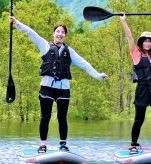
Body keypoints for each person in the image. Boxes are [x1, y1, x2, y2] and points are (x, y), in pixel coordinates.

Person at [10, 16, 107, 153]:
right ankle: (43, 145)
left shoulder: (70, 52)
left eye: (62, 32)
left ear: (65, 36)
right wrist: (17, 24)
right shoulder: (44, 45)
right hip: (47, 87)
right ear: (54, 34)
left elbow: (84, 64)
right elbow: (31, 33)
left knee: (62, 118)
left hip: (63, 89)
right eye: (58, 31)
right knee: (45, 117)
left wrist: (97, 75)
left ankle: (63, 145)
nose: (60, 34)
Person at [119, 12, 151, 153]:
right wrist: (124, 22)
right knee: (139, 119)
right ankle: (134, 145)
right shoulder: (135, 53)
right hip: (142, 90)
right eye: (145, 41)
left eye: (149, 41)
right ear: (141, 42)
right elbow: (129, 37)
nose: (147, 43)